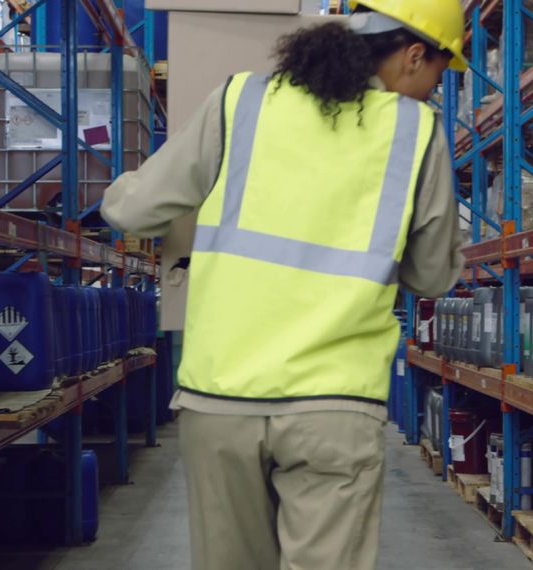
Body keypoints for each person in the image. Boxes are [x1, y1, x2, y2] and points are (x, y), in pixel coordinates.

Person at [101, 1, 466, 568]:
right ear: (414, 54)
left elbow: (134, 211)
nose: (433, 92)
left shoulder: (242, 99)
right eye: (439, 75)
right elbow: (432, 275)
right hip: (336, 407)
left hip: (221, 397)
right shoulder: (416, 133)